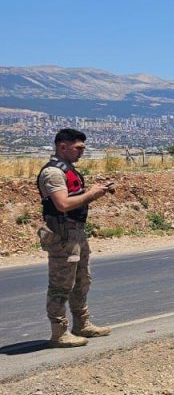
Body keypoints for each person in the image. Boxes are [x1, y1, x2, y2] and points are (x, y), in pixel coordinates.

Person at [37, 128, 115, 347]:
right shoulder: (53, 173)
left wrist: (98, 191)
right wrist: (91, 195)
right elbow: (62, 204)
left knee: (82, 280)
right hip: (63, 234)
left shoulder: (68, 170)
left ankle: (81, 323)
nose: (82, 152)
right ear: (63, 146)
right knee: (61, 285)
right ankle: (59, 333)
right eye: (78, 148)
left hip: (76, 232)